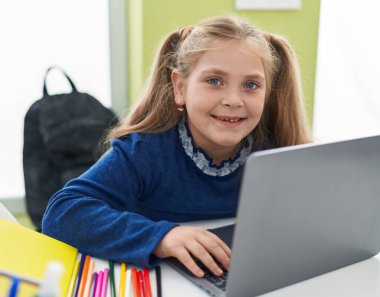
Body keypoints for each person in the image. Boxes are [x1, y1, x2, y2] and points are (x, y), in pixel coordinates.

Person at [42, 15, 311, 278]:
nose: (233, 100)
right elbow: (62, 213)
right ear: (179, 87)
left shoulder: (276, 151)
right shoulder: (144, 152)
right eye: (214, 81)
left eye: (251, 85)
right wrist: (163, 236)